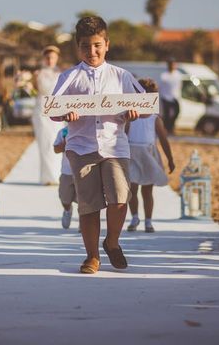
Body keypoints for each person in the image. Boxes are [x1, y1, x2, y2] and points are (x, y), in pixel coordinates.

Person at [50, 16, 143, 274]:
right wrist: (65, 114)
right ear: (77, 47)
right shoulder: (69, 77)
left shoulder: (122, 76)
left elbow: (146, 106)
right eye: (85, 46)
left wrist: (134, 112)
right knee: (88, 205)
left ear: (107, 44)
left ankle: (112, 241)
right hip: (81, 147)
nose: (92, 51)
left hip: (115, 146)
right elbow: (52, 110)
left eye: (97, 45)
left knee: (120, 197)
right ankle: (92, 257)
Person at [126, 78, 175, 233]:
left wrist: (170, 159)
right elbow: (122, 135)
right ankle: (134, 217)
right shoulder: (130, 117)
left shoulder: (155, 119)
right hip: (132, 153)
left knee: (147, 190)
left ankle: (148, 221)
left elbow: (164, 140)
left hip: (148, 154)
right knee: (131, 189)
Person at [32, 45, 63, 186]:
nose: (50, 60)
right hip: (42, 112)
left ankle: (56, 176)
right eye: (48, 57)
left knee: (56, 142)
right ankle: (46, 177)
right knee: (44, 143)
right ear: (44, 59)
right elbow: (34, 90)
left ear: (56, 58)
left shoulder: (62, 73)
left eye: (53, 57)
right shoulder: (38, 74)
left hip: (56, 111)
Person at [53, 126, 77, 229]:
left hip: (83, 172)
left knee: (84, 201)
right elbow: (56, 149)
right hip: (67, 172)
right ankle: (68, 210)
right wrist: (66, 144)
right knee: (65, 199)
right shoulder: (64, 132)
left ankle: (84, 222)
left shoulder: (89, 130)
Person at [159, 58, 182, 134]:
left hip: (175, 97)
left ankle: (171, 127)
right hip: (165, 97)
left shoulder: (178, 74)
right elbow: (161, 87)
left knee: (177, 112)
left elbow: (179, 86)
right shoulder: (164, 75)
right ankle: (167, 129)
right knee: (167, 114)